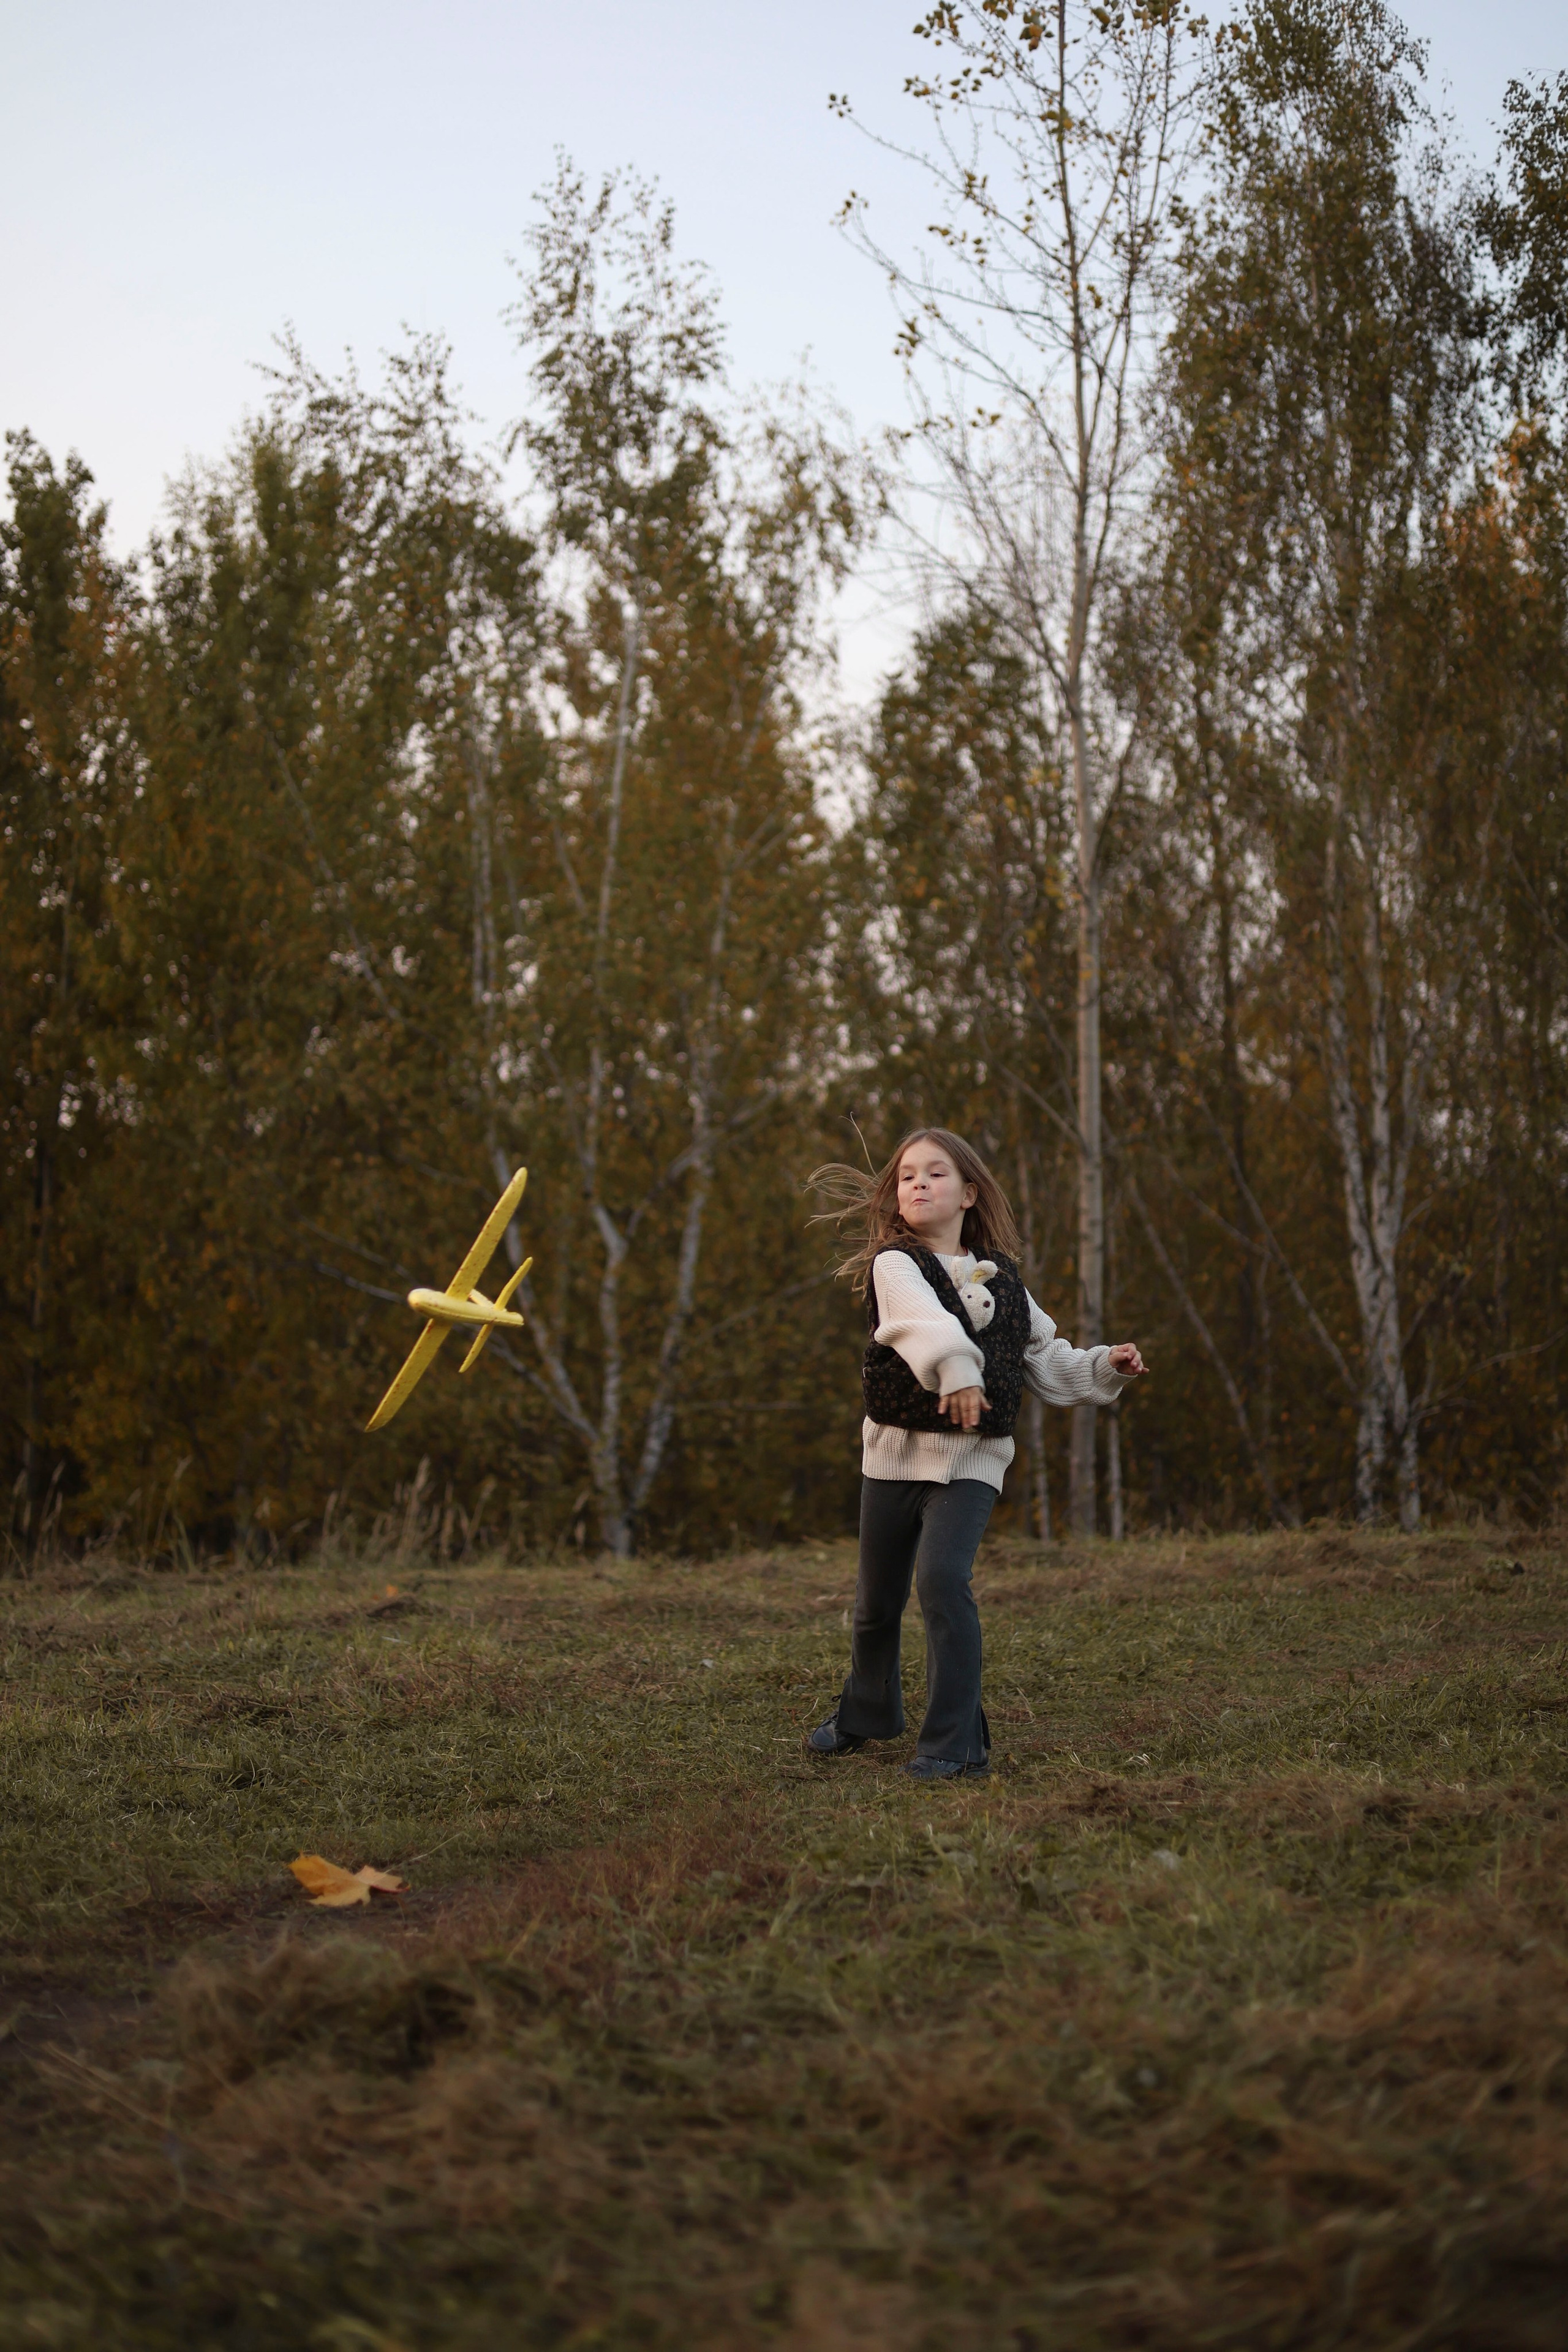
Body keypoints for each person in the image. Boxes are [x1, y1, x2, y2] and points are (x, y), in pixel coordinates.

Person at [805, 1127, 1147, 1780]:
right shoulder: (894, 1265)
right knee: (875, 1602)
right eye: (907, 1176)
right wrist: (959, 1370)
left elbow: (1045, 1358)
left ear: (968, 1193)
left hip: (973, 1463)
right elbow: (919, 1323)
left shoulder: (1005, 1281)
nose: (918, 1184)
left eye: (935, 1174)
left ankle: (955, 1742)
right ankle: (868, 1710)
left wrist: (1106, 1364)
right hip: (894, 1459)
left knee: (940, 1583)